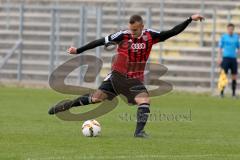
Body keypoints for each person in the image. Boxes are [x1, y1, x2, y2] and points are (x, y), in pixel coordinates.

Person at [48, 14, 204, 138]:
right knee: (99, 98)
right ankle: (65, 106)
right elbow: (100, 41)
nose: (132, 32)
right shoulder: (122, 35)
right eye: (131, 29)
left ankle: (139, 132)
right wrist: (78, 50)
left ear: (142, 27)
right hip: (118, 75)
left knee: (136, 100)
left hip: (134, 78)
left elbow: (172, 32)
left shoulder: (151, 35)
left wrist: (189, 19)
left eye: (135, 30)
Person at [218, 23, 239, 98]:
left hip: (233, 59)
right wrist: (219, 58)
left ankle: (233, 94)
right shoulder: (224, 37)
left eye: (232, 29)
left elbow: (238, 48)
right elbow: (220, 48)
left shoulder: (236, 37)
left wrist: (238, 57)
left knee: (234, 76)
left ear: (233, 29)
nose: (230, 30)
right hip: (225, 58)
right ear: (227, 29)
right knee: (223, 76)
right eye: (229, 29)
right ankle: (221, 93)